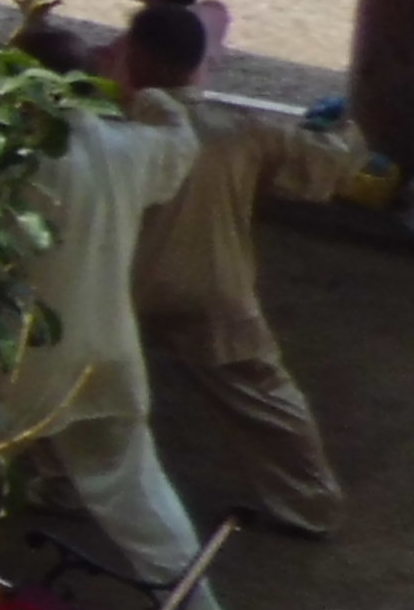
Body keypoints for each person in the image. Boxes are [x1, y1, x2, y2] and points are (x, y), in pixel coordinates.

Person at [0, 5, 231, 610]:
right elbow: (177, 137)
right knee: (136, 491)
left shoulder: (0, 155)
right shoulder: (127, 148)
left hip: (17, 359)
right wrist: (139, 87)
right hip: (106, 349)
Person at [132, 34, 372, 539]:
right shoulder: (238, 128)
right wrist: (340, 130)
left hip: (127, 284)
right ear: (197, 65)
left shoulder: (112, 124)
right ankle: (307, 505)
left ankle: (63, 485)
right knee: (262, 397)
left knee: (79, 383)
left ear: (137, 60)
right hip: (214, 286)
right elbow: (327, 165)